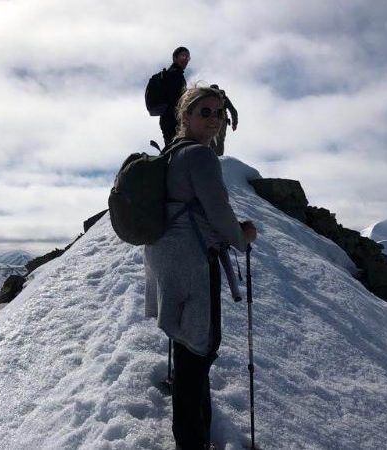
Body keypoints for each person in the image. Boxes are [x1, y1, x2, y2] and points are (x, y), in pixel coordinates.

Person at [144, 85, 257, 450]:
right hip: (193, 261)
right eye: (205, 112)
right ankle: (192, 441)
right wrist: (243, 238)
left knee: (186, 341)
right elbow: (220, 214)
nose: (214, 120)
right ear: (186, 115)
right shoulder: (201, 157)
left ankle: (193, 432)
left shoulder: (173, 153)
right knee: (201, 347)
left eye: (219, 114)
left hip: (166, 259)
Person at [159, 46, 190, 146]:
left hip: (169, 118)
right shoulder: (174, 74)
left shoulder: (175, 74)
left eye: (188, 58)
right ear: (175, 58)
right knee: (175, 148)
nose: (186, 59)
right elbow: (176, 99)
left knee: (172, 147)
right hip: (173, 119)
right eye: (183, 56)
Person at [208, 84, 239, 156]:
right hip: (222, 120)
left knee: (210, 137)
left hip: (210, 120)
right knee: (220, 140)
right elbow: (233, 110)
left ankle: (211, 157)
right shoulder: (223, 97)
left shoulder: (207, 97)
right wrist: (234, 124)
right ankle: (219, 158)